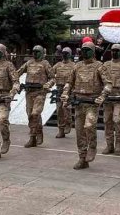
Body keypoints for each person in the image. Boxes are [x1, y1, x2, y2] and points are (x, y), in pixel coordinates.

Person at [61, 38, 108, 169]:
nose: (85, 52)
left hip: (92, 103)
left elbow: (108, 84)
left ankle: (92, 146)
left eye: (87, 50)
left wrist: (102, 96)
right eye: (83, 50)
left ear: (93, 52)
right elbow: (69, 82)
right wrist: (65, 93)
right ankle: (82, 158)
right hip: (79, 103)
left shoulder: (99, 66)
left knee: (89, 125)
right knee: (79, 132)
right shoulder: (77, 66)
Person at [17, 45, 55, 147]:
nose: (35, 53)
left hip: (40, 92)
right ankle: (35, 134)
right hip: (29, 92)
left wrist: (47, 85)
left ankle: (35, 135)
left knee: (35, 113)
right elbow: (18, 72)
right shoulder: (29, 63)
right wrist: (13, 80)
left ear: (42, 53)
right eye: (34, 51)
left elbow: (52, 78)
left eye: (37, 52)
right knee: (30, 115)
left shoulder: (45, 64)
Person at [52, 47, 76, 138]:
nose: (64, 55)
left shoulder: (74, 65)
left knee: (66, 108)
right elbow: (50, 73)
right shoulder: (58, 65)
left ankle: (68, 123)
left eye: (66, 53)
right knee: (59, 110)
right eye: (63, 53)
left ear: (70, 54)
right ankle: (61, 130)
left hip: (69, 90)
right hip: (59, 89)